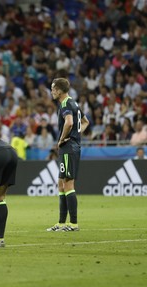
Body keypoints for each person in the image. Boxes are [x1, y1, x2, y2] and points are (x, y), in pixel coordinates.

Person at [47, 78, 89, 232]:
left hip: (68, 147)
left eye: (53, 88)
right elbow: (85, 122)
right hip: (71, 146)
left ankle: (73, 224)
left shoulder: (65, 104)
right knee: (61, 182)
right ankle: (61, 223)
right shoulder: (74, 103)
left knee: (68, 183)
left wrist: (63, 138)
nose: (51, 91)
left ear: (59, 90)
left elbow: (69, 122)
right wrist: (76, 135)